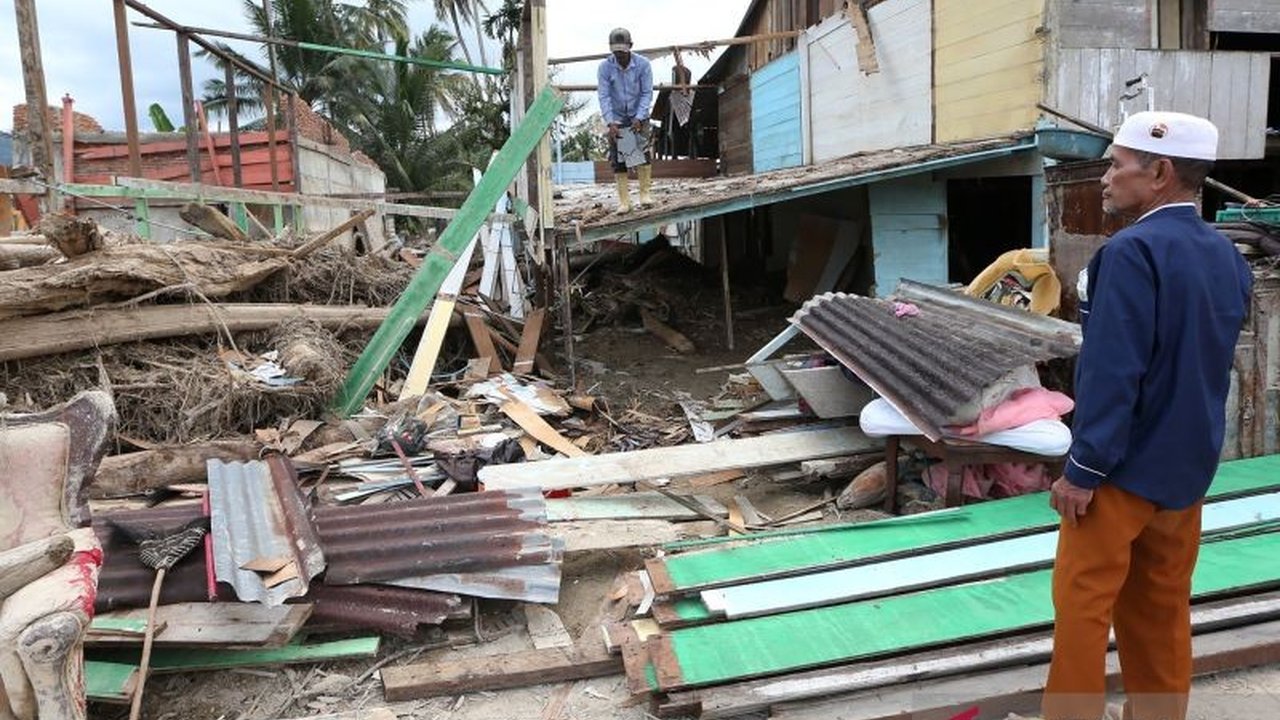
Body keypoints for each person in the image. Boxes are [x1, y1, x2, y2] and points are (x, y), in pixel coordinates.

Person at [1038, 111, 1252, 720]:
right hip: (1186, 471)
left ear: (1158, 172)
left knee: (1083, 608)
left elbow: (1114, 372)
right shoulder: (1225, 255)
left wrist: (1082, 468)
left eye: (1116, 164)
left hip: (1120, 470)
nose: (1105, 177)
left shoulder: (1130, 252)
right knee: (1161, 608)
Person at [597, 27, 653, 213]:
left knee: (642, 154)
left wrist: (639, 117)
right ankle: (624, 202)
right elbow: (604, 96)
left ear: (630, 46)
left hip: (639, 115)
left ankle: (644, 195)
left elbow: (646, 93)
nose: (620, 56)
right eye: (616, 52)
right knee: (618, 159)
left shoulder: (643, 65)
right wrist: (610, 122)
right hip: (617, 118)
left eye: (623, 51)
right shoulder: (605, 67)